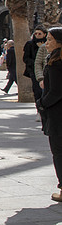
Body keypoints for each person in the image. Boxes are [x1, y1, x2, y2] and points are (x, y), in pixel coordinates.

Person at [38, 27, 62, 202]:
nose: (47, 43)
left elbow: (55, 92)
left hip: (57, 115)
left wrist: (41, 104)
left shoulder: (55, 64)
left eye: (50, 40)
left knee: (59, 152)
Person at [25, 27, 47, 110]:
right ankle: (39, 108)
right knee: (37, 90)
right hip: (34, 71)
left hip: (47, 70)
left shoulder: (48, 44)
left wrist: (42, 47)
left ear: (44, 34)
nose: (37, 35)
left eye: (39, 34)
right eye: (36, 33)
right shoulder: (30, 44)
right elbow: (26, 58)